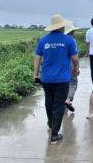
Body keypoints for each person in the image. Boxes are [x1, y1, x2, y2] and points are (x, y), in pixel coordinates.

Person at [33, 14, 79, 144]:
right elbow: (75, 59)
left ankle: (50, 122)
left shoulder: (43, 40)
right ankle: (54, 134)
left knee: (49, 100)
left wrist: (35, 75)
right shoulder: (68, 40)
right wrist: (75, 69)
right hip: (62, 79)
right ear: (62, 26)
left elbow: (37, 58)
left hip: (46, 78)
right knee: (59, 104)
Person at [64, 22, 80, 112]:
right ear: (72, 31)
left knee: (65, 83)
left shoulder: (61, 39)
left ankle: (63, 102)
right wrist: (76, 67)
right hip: (70, 63)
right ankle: (68, 100)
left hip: (61, 65)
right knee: (73, 83)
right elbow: (75, 56)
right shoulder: (72, 40)